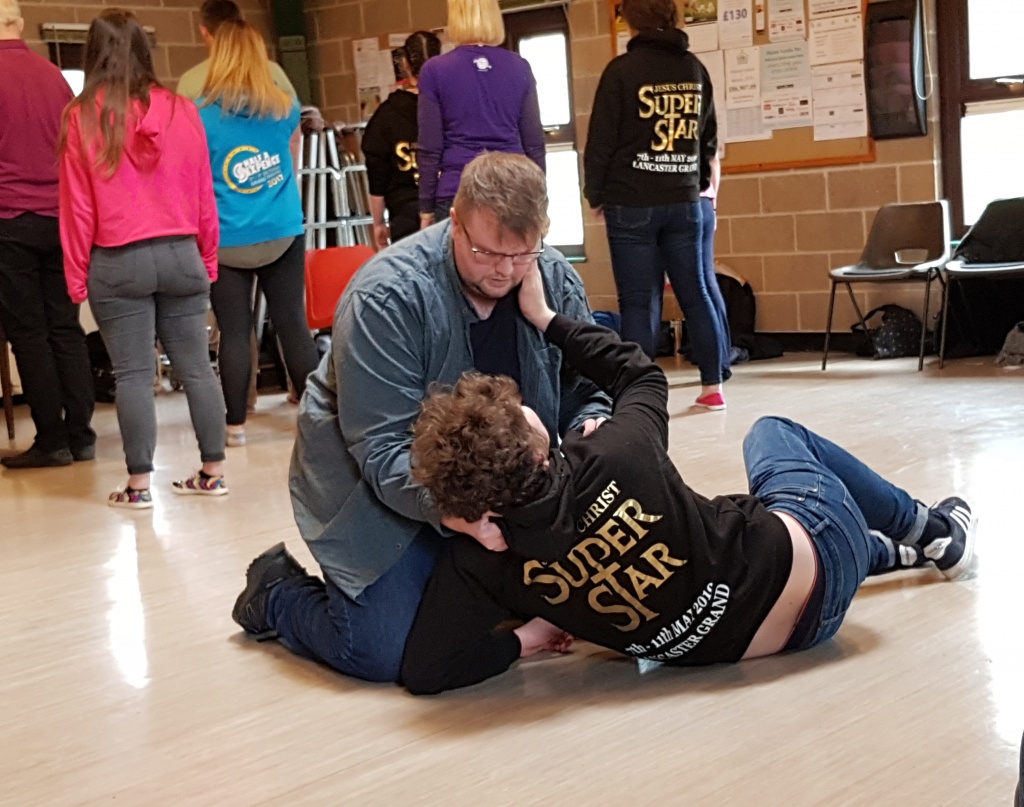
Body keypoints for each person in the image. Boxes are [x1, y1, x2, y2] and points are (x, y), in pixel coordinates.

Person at [394, 260, 977, 694]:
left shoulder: (481, 557)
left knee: (714, 516)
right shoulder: (615, 453)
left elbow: (426, 670)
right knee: (773, 434)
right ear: (538, 450)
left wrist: (526, 639)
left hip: (773, 641)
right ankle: (933, 531)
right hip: (823, 554)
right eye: (521, 414)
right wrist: (546, 318)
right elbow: (640, 375)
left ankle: (893, 553)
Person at [231, 152, 612, 683]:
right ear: (454, 222)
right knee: (384, 651)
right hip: (378, 481)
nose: (505, 271)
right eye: (486, 252)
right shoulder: (386, 296)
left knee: (605, 600)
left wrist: (591, 423)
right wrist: (452, 513)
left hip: (497, 485)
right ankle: (276, 593)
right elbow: (380, 446)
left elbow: (589, 385)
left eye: (522, 254)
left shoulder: (550, 275)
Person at [59, 9, 227, 508]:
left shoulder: (82, 117)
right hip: (182, 254)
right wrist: (208, 259)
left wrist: (75, 278)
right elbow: (204, 193)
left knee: (133, 375)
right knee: (198, 370)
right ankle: (213, 474)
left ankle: (138, 487)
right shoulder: (183, 110)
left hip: (118, 260)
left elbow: (77, 207)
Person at [584, 0, 729, 410]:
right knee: (696, 293)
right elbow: (707, 136)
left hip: (631, 201)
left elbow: (601, 141)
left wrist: (595, 193)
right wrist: (698, 182)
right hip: (684, 199)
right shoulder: (694, 69)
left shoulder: (620, 72)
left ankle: (640, 395)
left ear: (631, 19)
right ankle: (713, 386)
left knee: (639, 301)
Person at [196, 19, 318, 448]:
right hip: (281, 228)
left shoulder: (199, 116)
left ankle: (235, 427)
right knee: (293, 324)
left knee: (234, 331)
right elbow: (292, 154)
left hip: (227, 236)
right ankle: (317, 418)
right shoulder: (285, 107)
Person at [0, 0, 96, 469]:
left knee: (29, 333)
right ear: (19, 24)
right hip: (61, 217)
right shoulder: (54, 75)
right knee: (65, 327)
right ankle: (82, 434)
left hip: (9, 218)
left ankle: (51, 439)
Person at [416, 0, 545, 227]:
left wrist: (426, 209)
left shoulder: (435, 70)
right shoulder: (519, 66)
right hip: (512, 188)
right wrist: (540, 200)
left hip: (458, 189)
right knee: (513, 251)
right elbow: (534, 143)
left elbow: (430, 148)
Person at [362, 31, 442, 250]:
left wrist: (378, 223)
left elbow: (377, 175)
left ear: (404, 64)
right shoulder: (451, 107)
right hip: (450, 209)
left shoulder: (386, 116)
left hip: (405, 215)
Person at [176, 0, 296, 101]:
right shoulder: (272, 70)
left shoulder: (189, 81)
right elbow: (296, 114)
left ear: (203, 30)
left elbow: (180, 121)